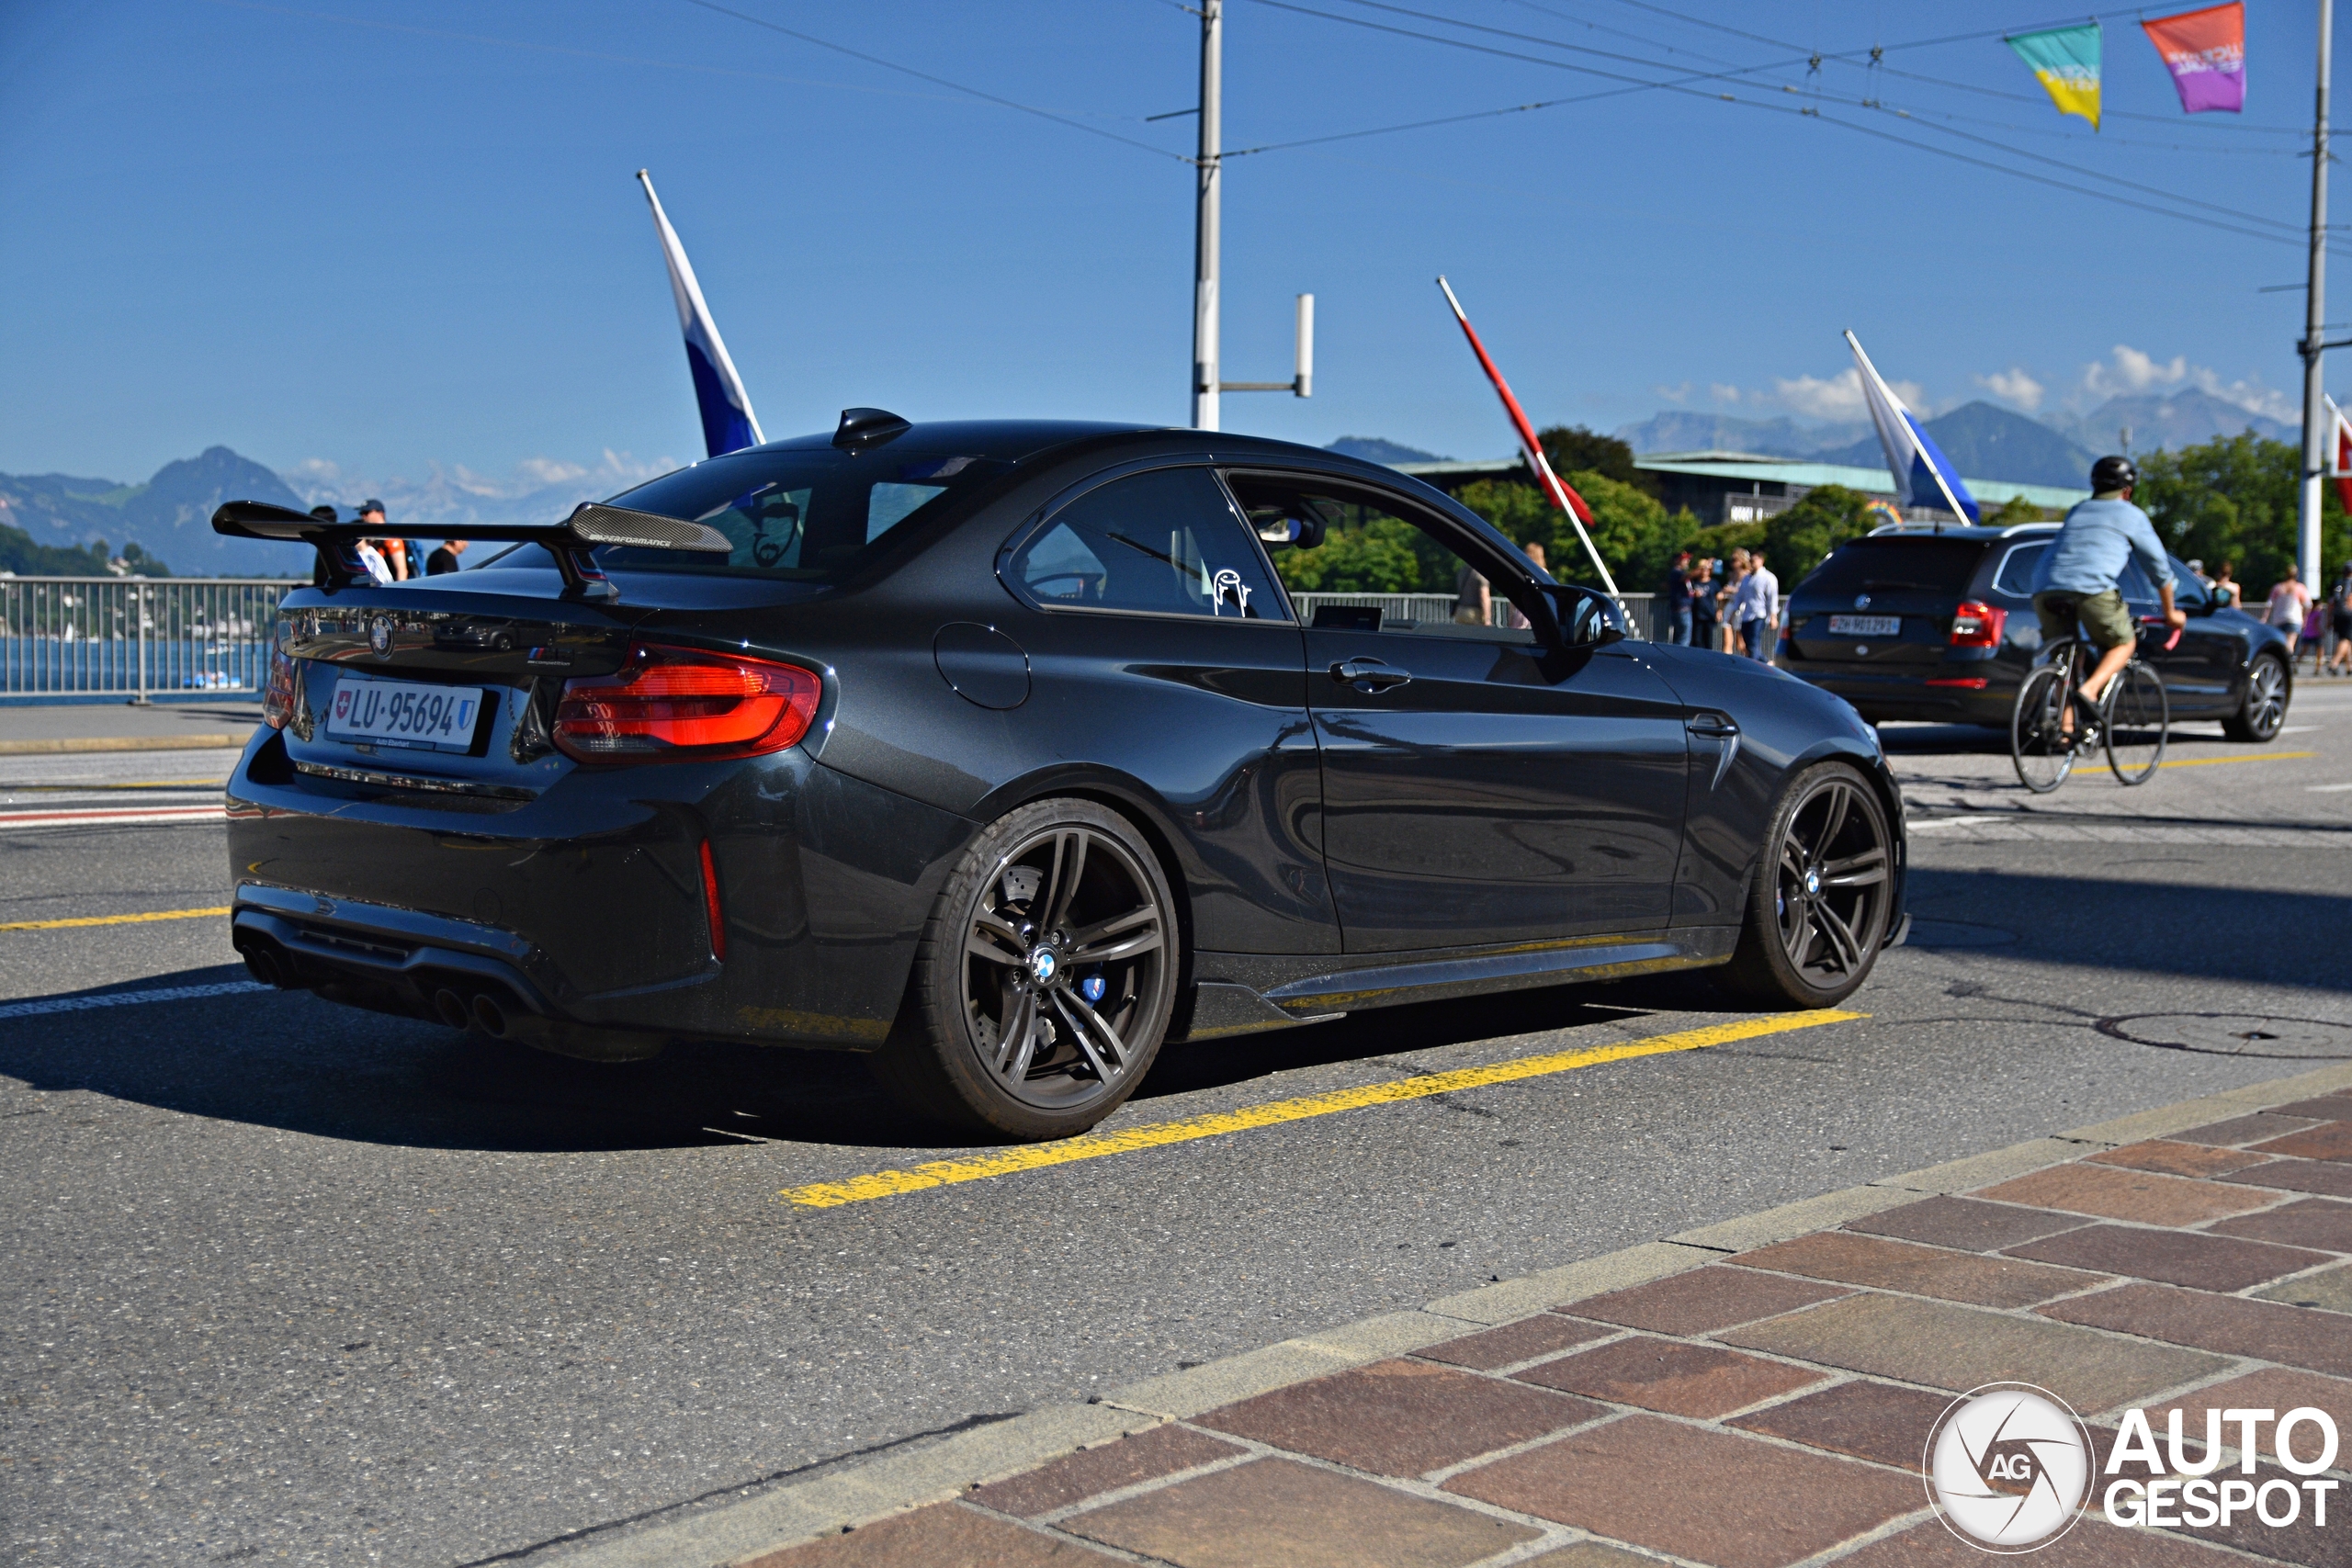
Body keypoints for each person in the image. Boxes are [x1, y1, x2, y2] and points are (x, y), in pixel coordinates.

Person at [2030, 456, 2185, 733]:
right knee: (2124, 643)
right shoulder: (2132, 515)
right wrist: (2171, 613)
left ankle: (2065, 731)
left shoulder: (2078, 510)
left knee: (2065, 660)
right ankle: (2090, 689)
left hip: (2044, 587)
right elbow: (2159, 569)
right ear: (2128, 491)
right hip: (2092, 588)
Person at [1728, 547, 1780, 663]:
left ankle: (1752, 666)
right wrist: (1732, 613)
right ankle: (1766, 663)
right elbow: (1740, 597)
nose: (1752, 563)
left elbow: (1772, 598)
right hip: (1747, 615)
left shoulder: (1768, 578)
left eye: (1754, 560)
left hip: (1759, 615)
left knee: (1753, 643)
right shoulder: (1747, 578)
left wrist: (1773, 616)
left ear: (1761, 560)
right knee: (1748, 646)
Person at [2267, 565, 2311, 660]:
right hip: (2294, 618)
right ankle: (2288, 660)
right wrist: (2304, 617)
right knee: (2290, 643)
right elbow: (2308, 605)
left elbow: (2269, 604)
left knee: (2281, 642)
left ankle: (2282, 660)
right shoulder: (2299, 588)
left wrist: (2265, 618)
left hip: (2278, 618)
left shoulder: (2278, 588)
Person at [1716, 548, 1750, 653]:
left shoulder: (1747, 575)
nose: (1732, 563)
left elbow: (1747, 592)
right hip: (1729, 606)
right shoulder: (1732, 575)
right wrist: (1720, 609)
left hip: (1740, 608)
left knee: (1740, 643)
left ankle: (1755, 661)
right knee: (1727, 641)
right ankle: (1726, 665)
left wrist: (1732, 590)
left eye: (1735, 560)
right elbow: (1726, 593)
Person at [1660, 550, 1694, 645]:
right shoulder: (1676, 572)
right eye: (1684, 560)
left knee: (1682, 637)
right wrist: (1702, 568)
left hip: (1684, 609)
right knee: (1683, 639)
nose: (1687, 562)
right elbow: (1687, 576)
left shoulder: (1680, 572)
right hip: (1681, 609)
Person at [1689, 556, 1718, 652]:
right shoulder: (1695, 582)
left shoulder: (1714, 583)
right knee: (1697, 641)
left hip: (1709, 614)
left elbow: (1720, 596)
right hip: (1697, 615)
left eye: (1707, 569)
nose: (1705, 571)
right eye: (1703, 569)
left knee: (1708, 641)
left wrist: (1720, 611)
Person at [2327, 563, 2352, 676]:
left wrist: (2329, 617)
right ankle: (2334, 663)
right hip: (2348, 613)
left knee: (2344, 639)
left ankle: (2349, 666)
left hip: (2337, 613)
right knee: (2346, 639)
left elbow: (2332, 602)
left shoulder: (2338, 583)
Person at [1454, 558, 1491, 626]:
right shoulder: (1481, 574)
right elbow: (1484, 597)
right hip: (1474, 613)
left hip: (1460, 611)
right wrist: (1487, 619)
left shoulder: (1462, 571)